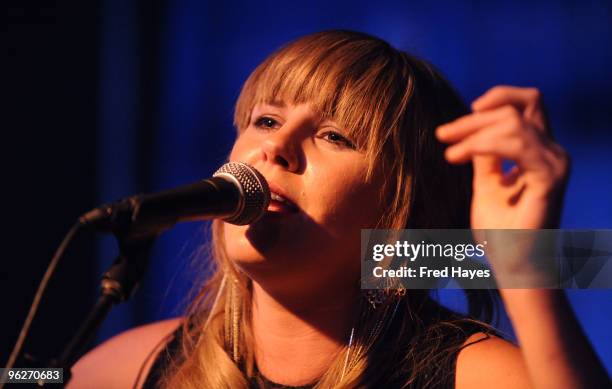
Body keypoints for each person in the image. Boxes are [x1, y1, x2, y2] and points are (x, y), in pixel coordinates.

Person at [68, 30, 610, 388]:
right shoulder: (140, 363)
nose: (275, 148)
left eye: (334, 135)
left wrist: (524, 264)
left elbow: (589, 263)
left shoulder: (471, 373)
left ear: (405, 212)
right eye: (266, 120)